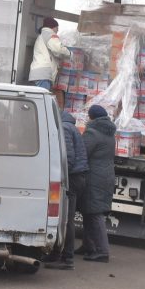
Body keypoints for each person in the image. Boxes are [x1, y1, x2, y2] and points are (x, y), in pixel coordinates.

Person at [44, 98, 89, 270]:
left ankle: (66, 257)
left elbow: (67, 158)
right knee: (64, 217)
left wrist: (59, 176)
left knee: (66, 219)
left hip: (72, 178)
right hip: (77, 176)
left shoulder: (64, 128)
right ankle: (56, 254)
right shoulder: (70, 126)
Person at [80, 104, 116, 262]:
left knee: (95, 213)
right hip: (105, 175)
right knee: (89, 212)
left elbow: (82, 152)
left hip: (94, 176)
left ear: (91, 117)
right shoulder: (108, 133)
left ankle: (102, 251)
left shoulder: (92, 133)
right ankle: (88, 246)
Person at [28, 17, 70, 90]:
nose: (58, 30)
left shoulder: (43, 35)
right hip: (43, 74)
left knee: (42, 99)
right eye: (57, 27)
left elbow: (54, 52)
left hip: (40, 73)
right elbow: (58, 48)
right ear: (52, 27)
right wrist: (69, 53)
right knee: (43, 100)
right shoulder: (49, 34)